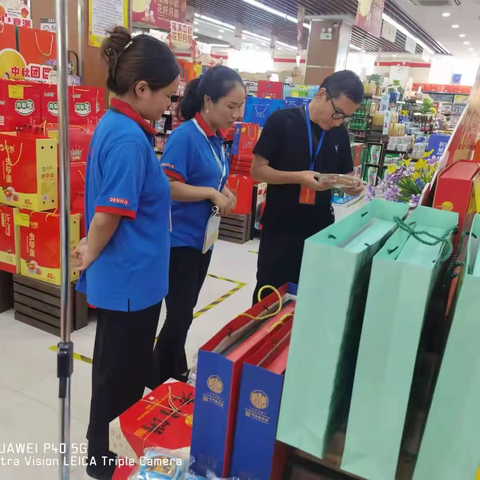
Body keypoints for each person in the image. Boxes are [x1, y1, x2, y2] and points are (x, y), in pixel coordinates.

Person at [72, 26, 181, 480]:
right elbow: (107, 216)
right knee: (119, 379)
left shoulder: (119, 125)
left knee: (117, 369)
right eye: (168, 96)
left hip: (132, 281)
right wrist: (87, 252)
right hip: (130, 283)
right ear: (141, 89)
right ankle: (104, 464)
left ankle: (109, 453)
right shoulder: (129, 141)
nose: (170, 105)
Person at [150, 66, 245, 387]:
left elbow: (214, 177)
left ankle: (168, 367)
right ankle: (160, 371)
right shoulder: (185, 136)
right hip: (179, 241)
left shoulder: (216, 138)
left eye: (240, 106)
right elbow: (168, 184)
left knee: (185, 311)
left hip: (202, 240)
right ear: (208, 101)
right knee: (180, 313)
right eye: (231, 106)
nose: (237, 114)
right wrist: (209, 192)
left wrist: (225, 191)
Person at [251, 70, 364, 302]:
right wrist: (298, 177)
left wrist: (350, 186)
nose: (338, 121)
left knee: (309, 297)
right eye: (337, 113)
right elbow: (257, 170)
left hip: (320, 230)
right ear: (322, 94)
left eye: (345, 117)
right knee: (269, 296)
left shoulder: (339, 133)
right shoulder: (281, 122)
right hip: (280, 227)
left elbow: (343, 175)